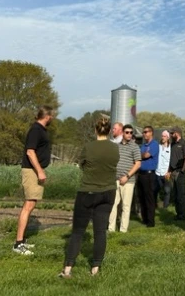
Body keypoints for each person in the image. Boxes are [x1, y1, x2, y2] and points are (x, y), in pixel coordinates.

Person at [60, 116, 119, 278]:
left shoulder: (88, 147)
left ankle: (68, 269)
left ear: (95, 130)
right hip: (108, 192)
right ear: (109, 131)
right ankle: (95, 268)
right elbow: (114, 164)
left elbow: (82, 165)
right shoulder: (115, 148)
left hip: (88, 191)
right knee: (100, 232)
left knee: (78, 231)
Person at [13, 106, 54, 255]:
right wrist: (40, 171)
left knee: (31, 204)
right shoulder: (36, 130)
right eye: (52, 116)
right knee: (28, 205)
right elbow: (30, 152)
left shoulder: (41, 130)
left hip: (34, 171)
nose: (53, 118)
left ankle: (22, 241)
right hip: (31, 171)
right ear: (47, 116)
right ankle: (18, 244)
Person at [108, 125, 141, 233]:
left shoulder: (135, 147)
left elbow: (138, 163)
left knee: (126, 206)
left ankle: (123, 230)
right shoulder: (117, 146)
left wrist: (127, 176)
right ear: (123, 133)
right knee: (113, 204)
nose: (129, 134)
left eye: (131, 133)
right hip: (115, 179)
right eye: (127, 132)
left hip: (128, 181)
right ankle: (111, 228)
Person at [137, 125, 159, 227]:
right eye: (143, 132)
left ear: (151, 133)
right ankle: (144, 218)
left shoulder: (154, 144)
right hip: (141, 174)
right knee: (141, 197)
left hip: (149, 174)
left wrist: (140, 156)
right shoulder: (143, 145)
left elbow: (146, 155)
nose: (144, 134)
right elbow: (141, 156)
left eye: (146, 132)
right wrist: (141, 155)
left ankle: (151, 221)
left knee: (149, 198)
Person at [166, 127, 185, 220]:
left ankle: (183, 215)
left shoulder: (183, 143)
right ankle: (178, 213)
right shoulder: (172, 144)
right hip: (173, 171)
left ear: (177, 133)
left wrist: (182, 171)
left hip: (180, 171)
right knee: (175, 194)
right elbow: (171, 159)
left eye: (172, 133)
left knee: (181, 194)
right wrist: (169, 171)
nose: (170, 135)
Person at [156, 130, 172, 208]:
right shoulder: (158, 147)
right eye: (162, 136)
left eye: (164, 136)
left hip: (166, 173)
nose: (163, 137)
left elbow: (171, 161)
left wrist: (169, 171)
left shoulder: (170, 148)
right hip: (157, 172)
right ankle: (155, 205)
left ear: (168, 138)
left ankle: (165, 206)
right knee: (156, 190)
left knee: (167, 190)